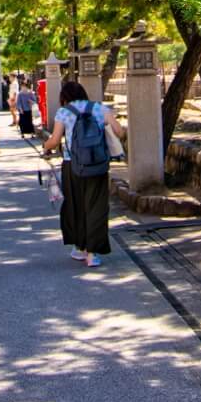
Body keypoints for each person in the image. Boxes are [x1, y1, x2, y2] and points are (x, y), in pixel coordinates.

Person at [44, 80, 123, 270]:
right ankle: (92, 254)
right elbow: (120, 132)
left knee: (75, 206)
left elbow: (54, 141)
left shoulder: (64, 112)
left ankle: (79, 248)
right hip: (98, 165)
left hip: (73, 166)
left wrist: (45, 146)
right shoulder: (100, 108)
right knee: (96, 207)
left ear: (65, 97)